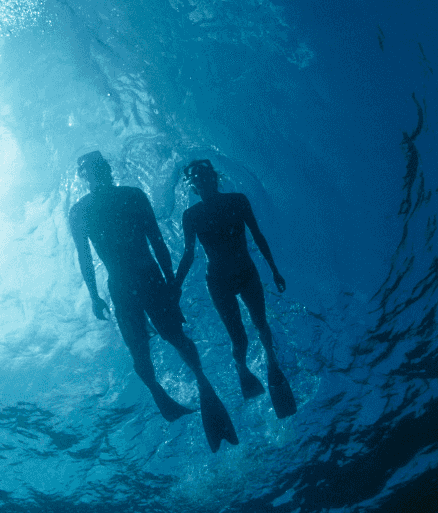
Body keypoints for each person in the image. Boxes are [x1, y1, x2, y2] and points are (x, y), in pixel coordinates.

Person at [69, 151, 238, 452]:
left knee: (169, 339)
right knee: (144, 349)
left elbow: (156, 239)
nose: (102, 171)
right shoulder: (88, 209)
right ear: (89, 176)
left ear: (106, 170)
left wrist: (171, 281)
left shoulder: (118, 200)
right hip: (131, 284)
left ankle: (201, 386)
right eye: (97, 168)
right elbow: (87, 256)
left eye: (103, 166)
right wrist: (95, 296)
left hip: (143, 280)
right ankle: (169, 392)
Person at [172, 159, 297, 418]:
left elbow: (257, 234)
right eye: (197, 177)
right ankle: (242, 369)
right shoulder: (191, 216)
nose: (202, 179)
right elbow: (188, 254)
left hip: (246, 273)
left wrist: (274, 269)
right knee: (239, 338)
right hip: (218, 281)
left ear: (214, 177)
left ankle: (272, 363)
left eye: (205, 174)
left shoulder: (237, 200)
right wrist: (176, 286)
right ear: (193, 185)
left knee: (261, 323)